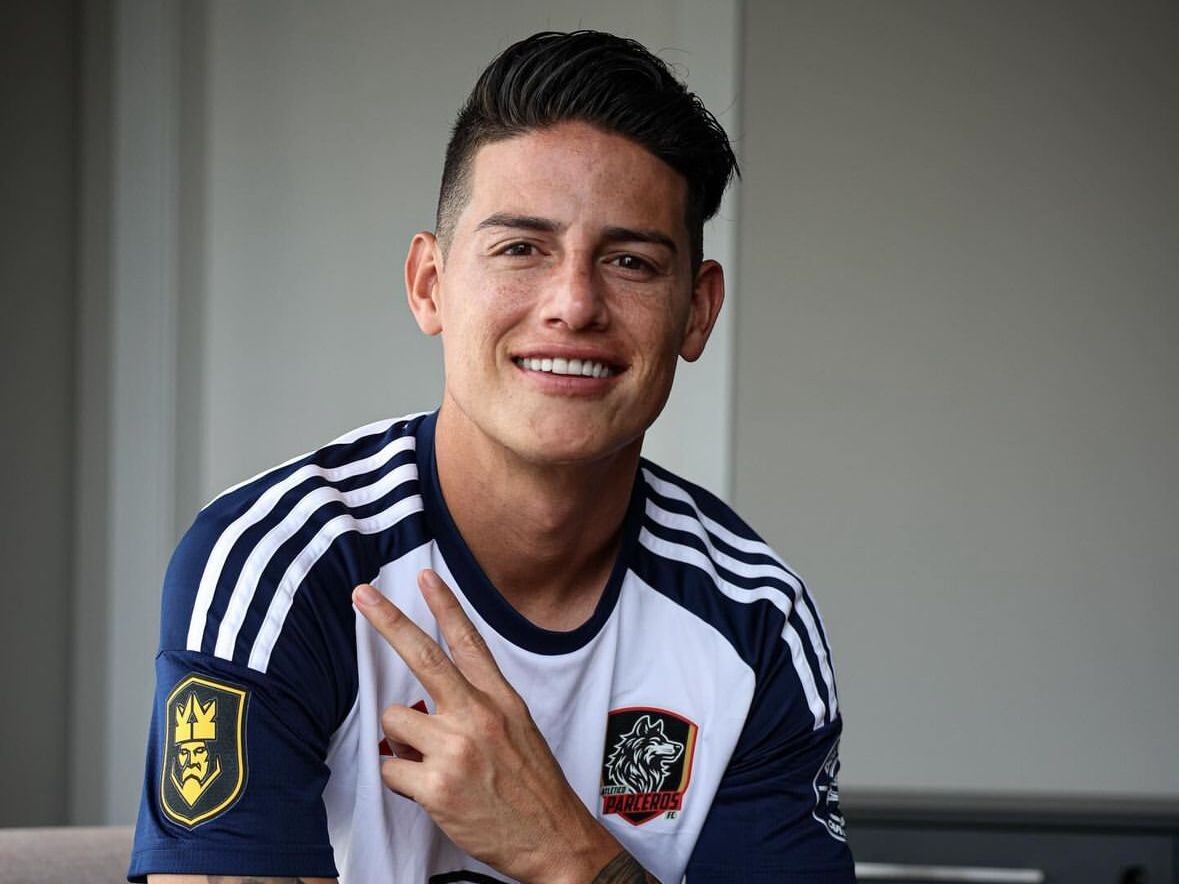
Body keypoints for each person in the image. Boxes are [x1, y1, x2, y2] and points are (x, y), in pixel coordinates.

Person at [129, 30, 853, 884]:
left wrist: (568, 853)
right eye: (521, 249)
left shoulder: (752, 620)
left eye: (629, 261)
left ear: (696, 312)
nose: (574, 304)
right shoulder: (277, 563)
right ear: (429, 284)